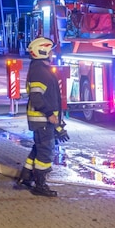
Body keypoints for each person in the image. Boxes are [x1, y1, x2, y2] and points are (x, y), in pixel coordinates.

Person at [16, 36, 66, 197]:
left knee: (39, 148)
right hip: (43, 120)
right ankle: (40, 184)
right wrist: (50, 114)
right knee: (45, 152)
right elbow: (36, 97)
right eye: (50, 50)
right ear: (42, 51)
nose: (52, 53)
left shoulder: (38, 69)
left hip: (42, 120)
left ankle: (26, 175)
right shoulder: (40, 71)